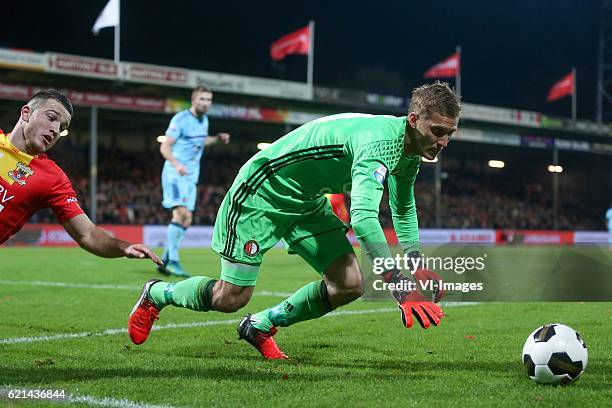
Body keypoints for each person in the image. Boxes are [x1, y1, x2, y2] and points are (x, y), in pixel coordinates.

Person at [129, 82, 460, 359]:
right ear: (414, 119)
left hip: (307, 201)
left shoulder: (411, 152)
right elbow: (362, 218)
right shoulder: (380, 142)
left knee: (348, 284)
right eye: (438, 131)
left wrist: (416, 264)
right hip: (263, 191)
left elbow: (402, 208)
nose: (443, 142)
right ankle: (157, 293)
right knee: (230, 297)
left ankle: (259, 324)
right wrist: (400, 285)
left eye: (450, 133)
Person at [0, 89, 161, 266]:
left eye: (62, 128)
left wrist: (124, 247)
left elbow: (88, 234)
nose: (55, 130)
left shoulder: (53, 178)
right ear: (26, 113)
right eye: (51, 118)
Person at [157, 85, 230, 277]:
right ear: (193, 100)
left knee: (187, 220)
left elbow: (201, 140)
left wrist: (216, 139)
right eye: (202, 99)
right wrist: (177, 164)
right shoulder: (180, 119)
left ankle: (165, 261)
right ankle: (172, 261)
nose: (206, 103)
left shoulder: (204, 120)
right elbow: (165, 147)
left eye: (208, 100)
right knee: (181, 215)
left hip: (191, 177)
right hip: (176, 173)